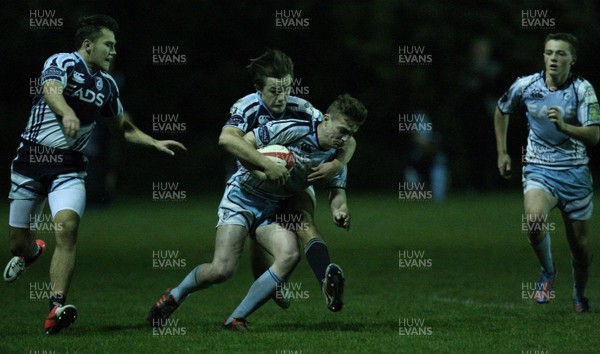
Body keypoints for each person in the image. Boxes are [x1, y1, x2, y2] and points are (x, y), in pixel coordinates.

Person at [3, 14, 186, 335]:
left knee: (67, 227)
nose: (114, 51)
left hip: (70, 166)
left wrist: (154, 141)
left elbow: (123, 128)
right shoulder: (63, 61)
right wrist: (67, 111)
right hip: (30, 159)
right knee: (18, 245)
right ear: (88, 45)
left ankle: (55, 307)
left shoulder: (107, 85)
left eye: (115, 46)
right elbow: (50, 88)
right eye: (108, 45)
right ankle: (32, 253)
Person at [147, 94, 367, 330]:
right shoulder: (292, 128)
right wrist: (264, 168)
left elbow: (338, 196)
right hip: (242, 198)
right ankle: (176, 294)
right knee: (222, 269)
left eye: (350, 134)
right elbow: (244, 145)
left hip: (272, 208)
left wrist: (340, 212)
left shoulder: (336, 159)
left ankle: (236, 318)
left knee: (290, 255)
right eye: (342, 130)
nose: (345, 139)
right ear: (325, 120)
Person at [218, 49, 357, 310]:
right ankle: (273, 284)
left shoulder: (302, 108)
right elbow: (227, 139)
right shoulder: (246, 106)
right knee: (254, 241)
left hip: (294, 178)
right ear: (259, 88)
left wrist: (335, 165)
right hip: (254, 181)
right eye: (275, 91)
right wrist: (265, 165)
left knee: (303, 220)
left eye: (287, 88)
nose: (282, 97)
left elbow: (345, 137)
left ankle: (325, 277)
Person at [494, 33, 599, 313]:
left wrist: (566, 127)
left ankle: (579, 293)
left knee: (580, 246)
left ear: (572, 59)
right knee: (534, 221)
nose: (554, 58)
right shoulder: (526, 85)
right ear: (544, 56)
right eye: (549, 53)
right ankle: (548, 272)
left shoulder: (583, 90)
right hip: (539, 169)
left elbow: (594, 135)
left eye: (561, 54)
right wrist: (502, 152)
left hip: (575, 174)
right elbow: (502, 109)